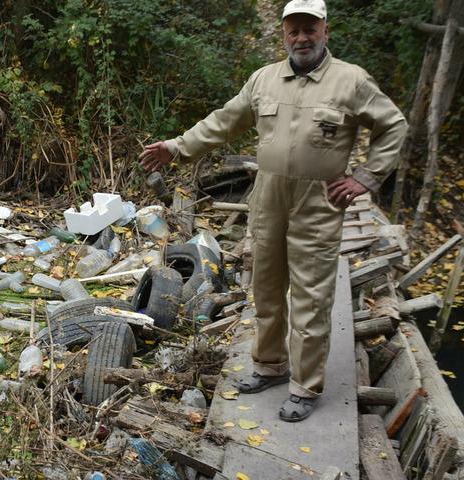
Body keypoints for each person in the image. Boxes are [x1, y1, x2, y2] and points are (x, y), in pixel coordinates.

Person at [138, 0, 407, 422]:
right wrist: (176, 147)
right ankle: (269, 365)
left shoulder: (351, 81)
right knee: (264, 286)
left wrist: (366, 178)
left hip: (320, 203)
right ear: (283, 34)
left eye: (309, 29)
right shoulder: (264, 79)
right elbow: (224, 121)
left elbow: (393, 125)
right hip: (267, 198)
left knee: (311, 296)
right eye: (293, 30)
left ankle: (305, 385)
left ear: (325, 31)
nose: (301, 38)